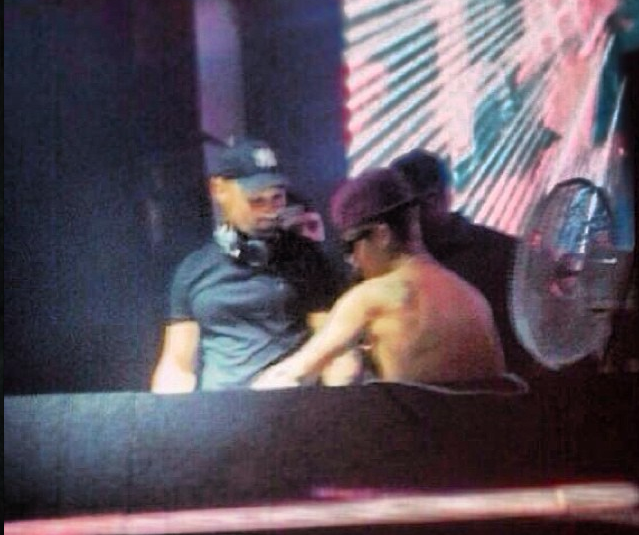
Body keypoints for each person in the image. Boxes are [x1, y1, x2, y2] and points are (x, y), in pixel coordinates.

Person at [252, 168, 506, 389]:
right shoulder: (472, 297)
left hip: (421, 430)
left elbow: (294, 375)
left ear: (381, 235)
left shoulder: (375, 296)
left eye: (350, 245)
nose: (352, 260)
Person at [151, 138, 343, 392]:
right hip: (222, 411)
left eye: (277, 198)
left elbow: (334, 348)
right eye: (256, 200)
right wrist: (165, 412)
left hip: (294, 404)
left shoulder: (308, 259)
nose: (269, 211)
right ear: (219, 190)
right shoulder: (192, 270)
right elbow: (178, 364)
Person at [389, 148, 542, 378]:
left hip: (499, 390)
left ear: (435, 199)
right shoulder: (387, 265)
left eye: (401, 210)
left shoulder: (507, 254)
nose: (394, 223)